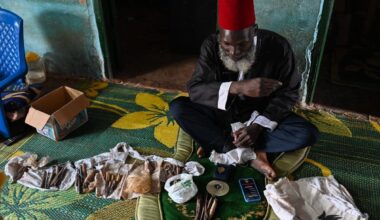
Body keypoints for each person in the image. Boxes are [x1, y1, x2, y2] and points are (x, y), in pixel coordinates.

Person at [169, 0, 319, 180]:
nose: (234, 51)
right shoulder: (211, 45)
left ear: (253, 31)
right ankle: (246, 154)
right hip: (220, 114)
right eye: (226, 44)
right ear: (220, 36)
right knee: (178, 108)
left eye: (242, 44)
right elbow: (195, 90)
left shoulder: (278, 46)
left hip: (258, 116)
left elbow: (288, 93)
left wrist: (257, 126)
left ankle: (219, 143)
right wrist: (237, 87)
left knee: (307, 133)